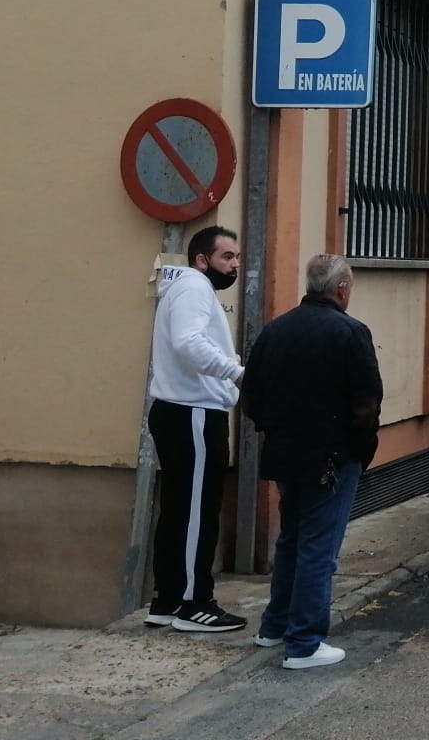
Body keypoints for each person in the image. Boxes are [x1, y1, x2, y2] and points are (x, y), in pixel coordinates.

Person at [243, 254, 384, 670]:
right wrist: (360, 449)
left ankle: (275, 627)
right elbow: (367, 403)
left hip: (285, 453)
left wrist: (276, 429)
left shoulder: (275, 330)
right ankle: (304, 643)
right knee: (319, 549)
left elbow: (251, 397)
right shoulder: (351, 332)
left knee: (291, 541)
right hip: (332, 457)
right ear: (342, 289)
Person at [145, 224, 249, 633]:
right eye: (227, 257)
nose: (234, 265)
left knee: (179, 510)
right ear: (202, 260)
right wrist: (236, 374)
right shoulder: (193, 288)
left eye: (238, 258)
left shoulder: (190, 290)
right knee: (196, 513)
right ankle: (193, 603)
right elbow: (188, 342)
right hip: (193, 414)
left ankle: (166, 601)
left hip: (183, 412)